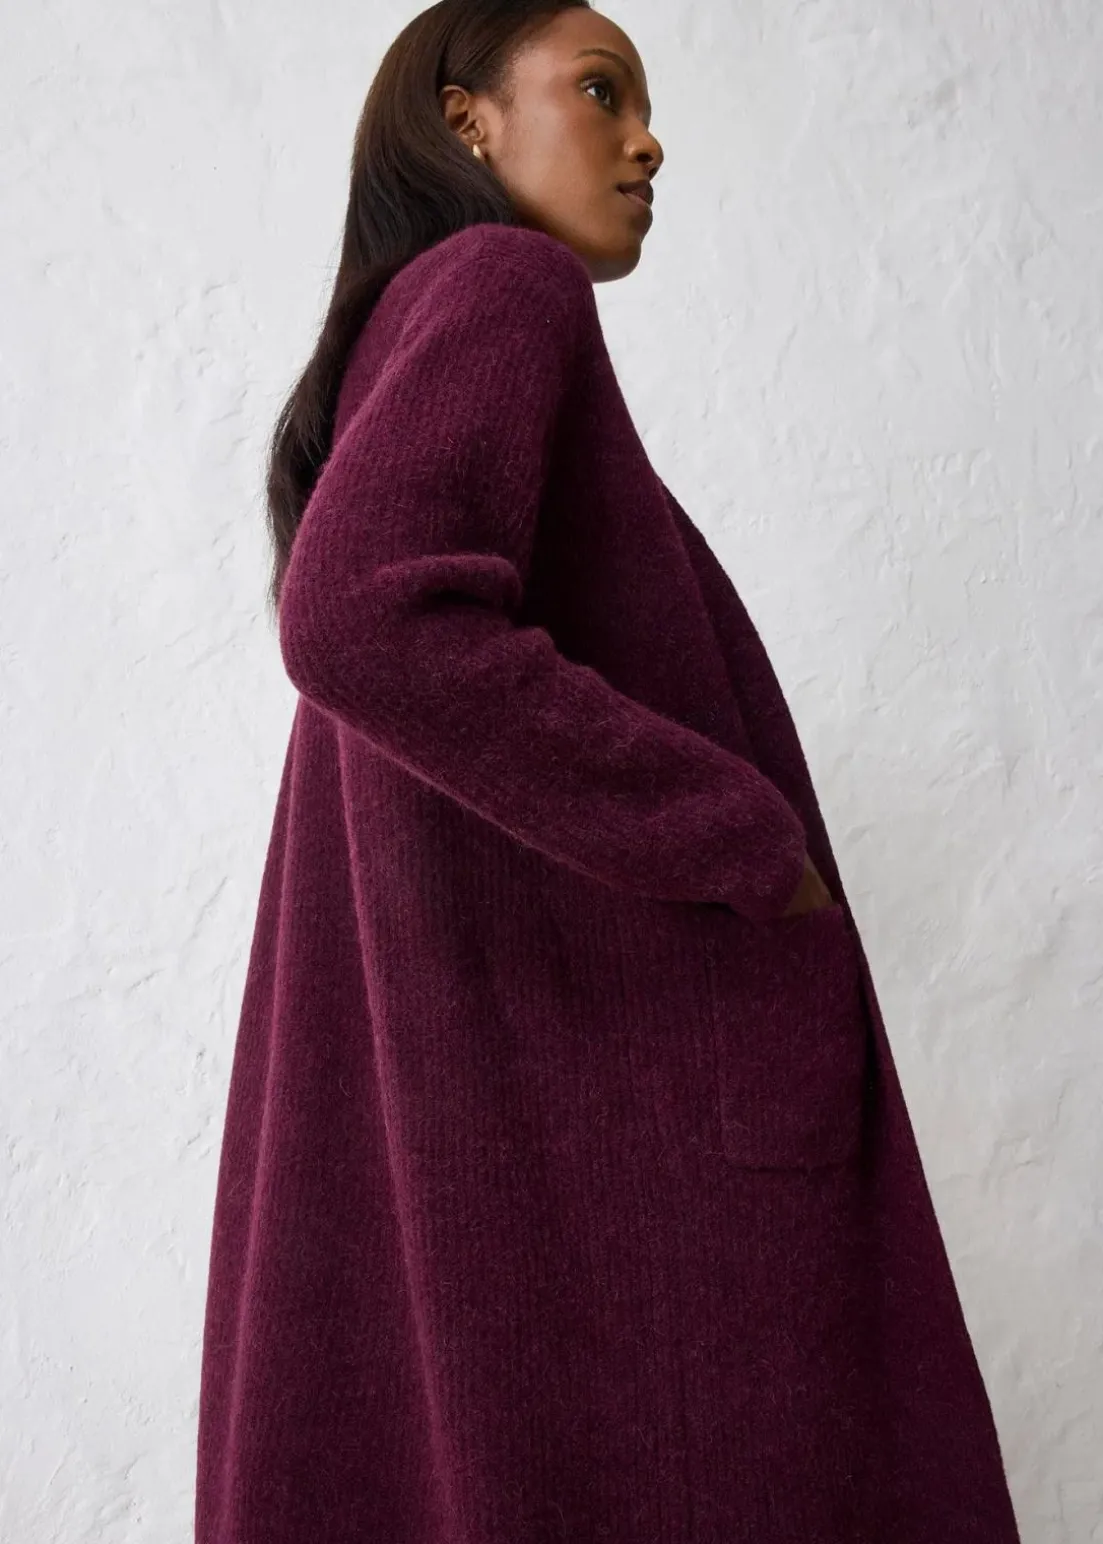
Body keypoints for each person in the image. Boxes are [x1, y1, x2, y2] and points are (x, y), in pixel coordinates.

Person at [194, 3, 1022, 1541]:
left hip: (519, 1136)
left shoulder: (406, 342)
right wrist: (741, 841)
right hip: (613, 1139)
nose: (646, 143)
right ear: (465, 121)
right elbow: (362, 616)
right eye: (597, 90)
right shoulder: (501, 283)